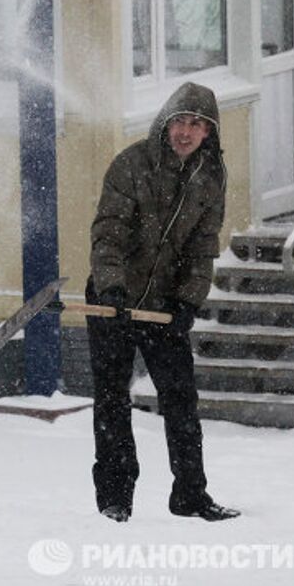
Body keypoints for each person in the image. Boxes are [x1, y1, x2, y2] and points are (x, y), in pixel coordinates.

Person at [87, 81, 239, 522]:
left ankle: (189, 495)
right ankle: (116, 498)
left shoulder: (211, 176)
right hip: (111, 301)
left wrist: (188, 302)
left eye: (196, 124)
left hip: (163, 307)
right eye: (179, 121)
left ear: (208, 132)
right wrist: (112, 287)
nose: (185, 132)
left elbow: (202, 246)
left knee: (180, 399)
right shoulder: (132, 164)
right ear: (166, 123)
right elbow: (109, 233)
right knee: (113, 400)